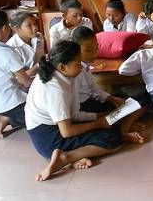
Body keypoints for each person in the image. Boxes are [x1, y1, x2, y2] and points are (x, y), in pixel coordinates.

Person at [25, 41, 141, 181]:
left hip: (61, 125)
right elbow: (67, 132)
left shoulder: (67, 75)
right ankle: (66, 157)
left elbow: (74, 114)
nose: (82, 66)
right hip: (48, 137)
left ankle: (79, 154)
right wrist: (99, 123)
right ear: (62, 66)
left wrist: (102, 116)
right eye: (78, 63)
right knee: (112, 139)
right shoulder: (54, 88)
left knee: (114, 118)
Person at [71, 26, 148, 131]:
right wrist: (105, 113)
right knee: (126, 108)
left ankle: (122, 122)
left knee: (141, 99)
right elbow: (74, 113)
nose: (94, 53)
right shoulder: (74, 72)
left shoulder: (85, 65)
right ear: (75, 49)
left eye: (96, 48)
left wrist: (112, 99)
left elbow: (94, 89)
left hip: (92, 102)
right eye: (88, 50)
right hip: (83, 108)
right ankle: (124, 127)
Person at [0, 8, 31, 137]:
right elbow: (26, 81)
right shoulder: (6, 52)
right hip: (8, 104)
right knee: (43, 117)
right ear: (5, 28)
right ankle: (6, 119)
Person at [7, 11, 45, 75]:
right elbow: (20, 78)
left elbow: (41, 57)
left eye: (35, 24)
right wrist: (39, 65)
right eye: (29, 25)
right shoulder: (11, 48)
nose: (35, 28)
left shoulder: (38, 36)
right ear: (17, 29)